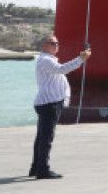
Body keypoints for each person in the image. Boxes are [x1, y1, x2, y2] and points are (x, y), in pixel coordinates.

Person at [30, 35, 92, 179]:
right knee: (46, 139)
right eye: (52, 43)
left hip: (48, 103)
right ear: (44, 45)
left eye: (57, 43)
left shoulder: (47, 60)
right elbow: (62, 69)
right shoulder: (45, 60)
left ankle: (36, 167)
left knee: (41, 138)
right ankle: (43, 170)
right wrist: (80, 59)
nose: (56, 45)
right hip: (49, 104)